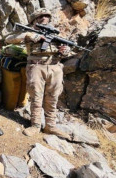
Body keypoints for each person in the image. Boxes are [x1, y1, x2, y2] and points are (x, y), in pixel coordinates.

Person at [5, 8, 71, 140]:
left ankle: (50, 126)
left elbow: (68, 49)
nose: (44, 19)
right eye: (40, 17)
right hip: (36, 66)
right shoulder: (29, 32)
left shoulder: (55, 33)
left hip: (55, 67)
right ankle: (35, 125)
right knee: (36, 96)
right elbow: (8, 38)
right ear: (34, 21)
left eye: (46, 16)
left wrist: (65, 50)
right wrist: (28, 36)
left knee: (53, 97)